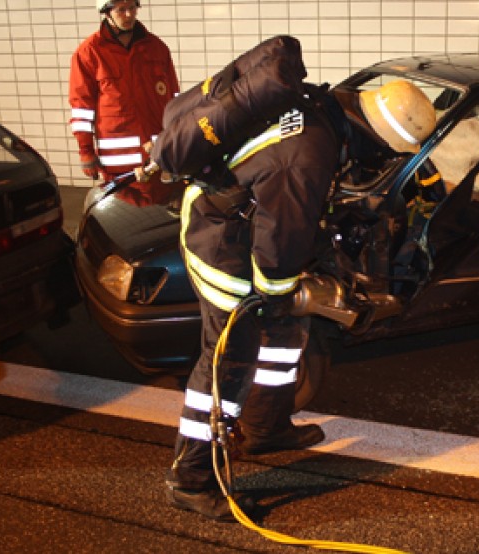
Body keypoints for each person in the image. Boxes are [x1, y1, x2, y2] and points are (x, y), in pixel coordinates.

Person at [154, 75, 436, 521]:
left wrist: (305, 285)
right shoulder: (308, 155)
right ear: (375, 136)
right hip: (223, 245)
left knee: (287, 332)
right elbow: (278, 243)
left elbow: (293, 220)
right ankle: (190, 480)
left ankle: (266, 427)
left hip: (244, 224)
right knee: (229, 359)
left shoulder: (324, 112)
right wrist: (282, 292)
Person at [68, 0, 179, 207]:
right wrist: (86, 151)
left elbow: (173, 98)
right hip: (119, 165)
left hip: (157, 157)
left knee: (162, 221)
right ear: (106, 12)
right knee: (126, 223)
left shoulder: (156, 48)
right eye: (121, 10)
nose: (128, 15)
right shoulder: (89, 53)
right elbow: (81, 107)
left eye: (132, 8)